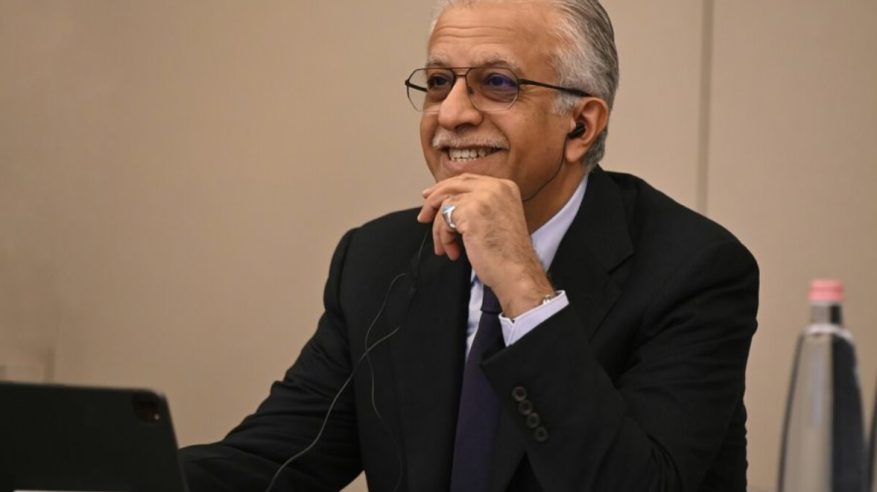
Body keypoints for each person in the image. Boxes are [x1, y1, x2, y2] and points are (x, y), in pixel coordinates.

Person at [180, 0, 759, 490]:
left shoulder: (694, 270)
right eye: (439, 83)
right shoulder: (377, 259)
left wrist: (522, 284)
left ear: (581, 126)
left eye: (497, 83)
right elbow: (276, 461)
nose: (451, 115)